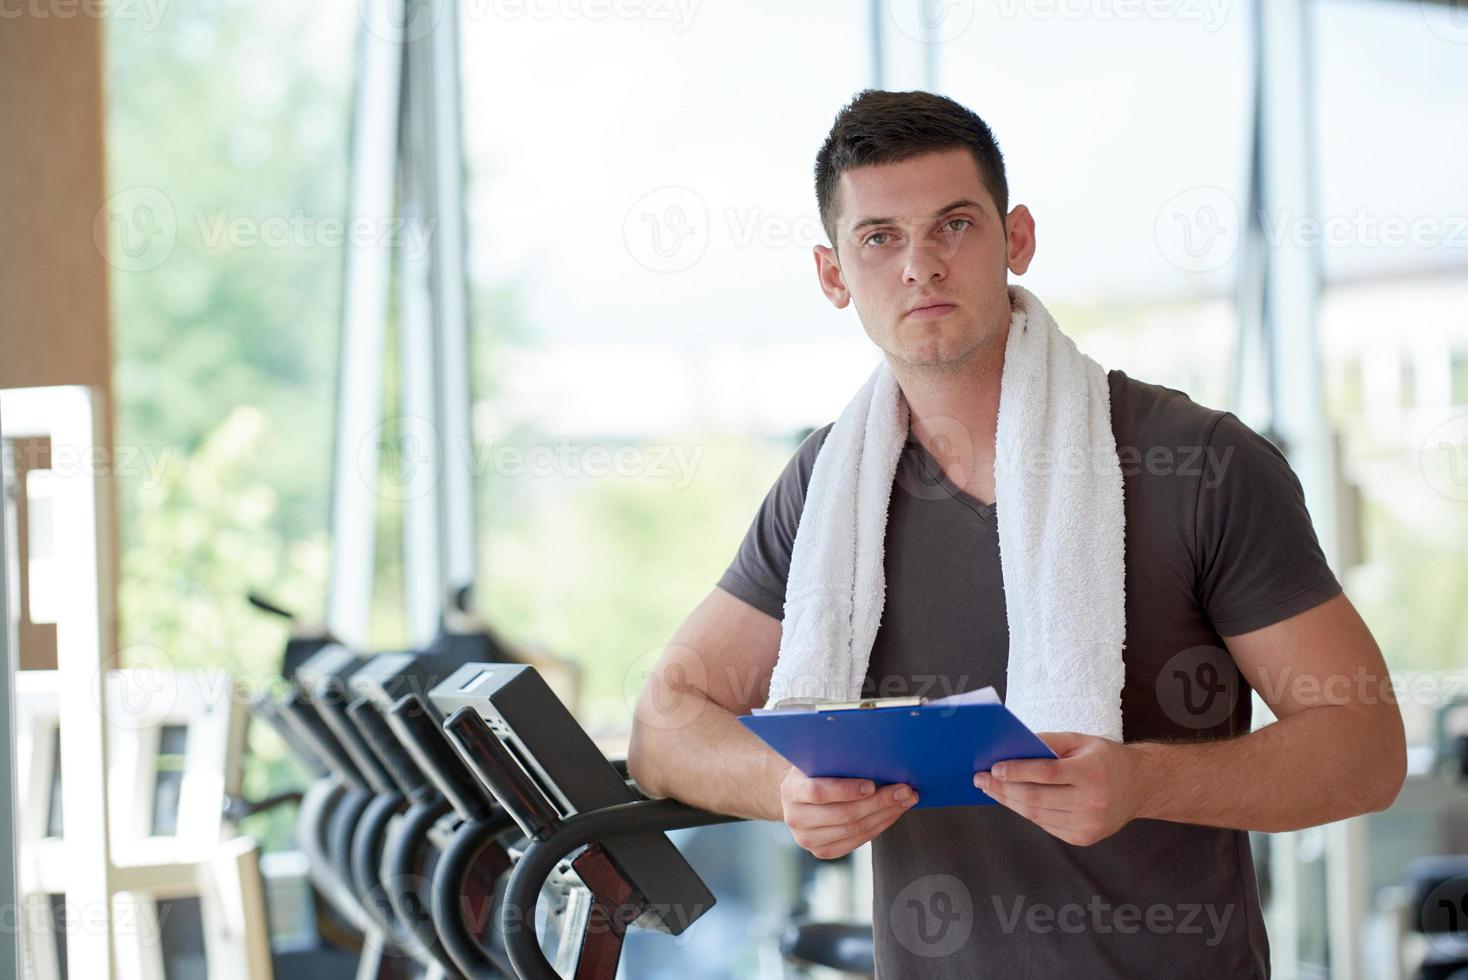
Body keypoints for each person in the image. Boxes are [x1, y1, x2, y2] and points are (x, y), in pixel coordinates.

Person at [626, 89, 1405, 978]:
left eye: (954, 224)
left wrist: (1144, 781)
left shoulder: (1200, 463)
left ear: (1016, 238)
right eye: (879, 238)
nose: (920, 266)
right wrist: (788, 791)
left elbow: (1366, 747)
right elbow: (664, 725)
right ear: (833, 275)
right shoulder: (825, 487)